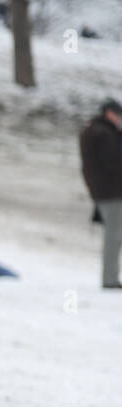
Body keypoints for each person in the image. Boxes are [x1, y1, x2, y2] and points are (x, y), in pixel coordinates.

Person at [79, 98, 122, 289]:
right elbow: (113, 163)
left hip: (103, 191)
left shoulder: (95, 131)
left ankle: (110, 277)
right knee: (114, 235)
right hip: (112, 192)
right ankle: (110, 279)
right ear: (108, 113)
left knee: (114, 234)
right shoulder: (104, 134)